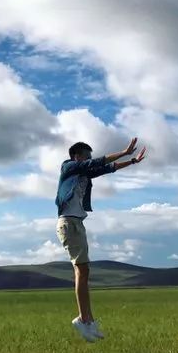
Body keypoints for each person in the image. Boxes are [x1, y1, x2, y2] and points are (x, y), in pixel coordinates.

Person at [55, 138, 147, 342]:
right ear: (77, 156)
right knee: (82, 270)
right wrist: (124, 152)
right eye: (86, 155)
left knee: (84, 271)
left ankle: (87, 320)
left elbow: (107, 168)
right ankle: (83, 320)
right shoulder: (68, 167)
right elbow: (95, 163)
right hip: (68, 223)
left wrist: (131, 162)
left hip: (76, 223)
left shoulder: (84, 174)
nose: (89, 159)